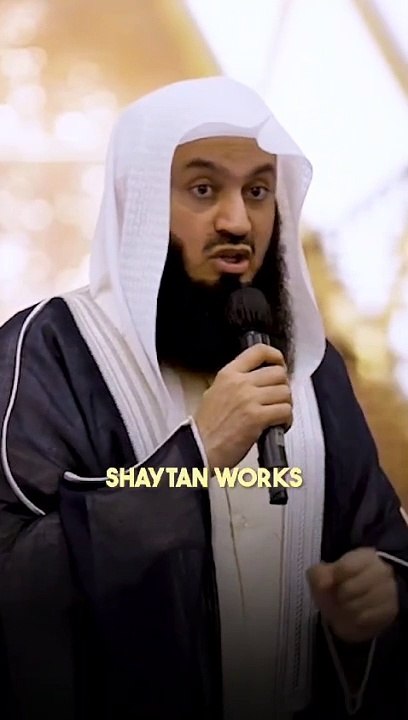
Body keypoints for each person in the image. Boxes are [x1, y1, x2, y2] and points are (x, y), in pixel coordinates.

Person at [0, 76, 407, 720]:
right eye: (202, 189)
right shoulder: (52, 351)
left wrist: (378, 591)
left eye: (258, 191)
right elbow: (19, 583)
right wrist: (196, 455)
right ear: (139, 204)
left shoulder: (311, 368)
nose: (237, 221)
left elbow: (379, 538)